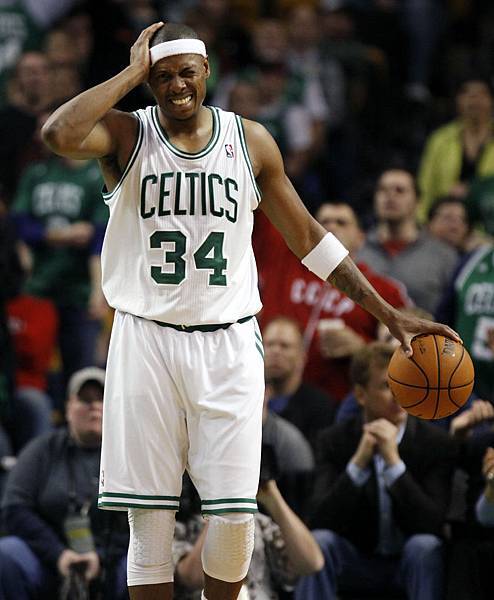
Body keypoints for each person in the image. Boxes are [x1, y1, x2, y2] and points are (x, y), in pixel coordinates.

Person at [41, 21, 459, 600]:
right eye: (162, 77)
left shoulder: (250, 140)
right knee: (151, 519)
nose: (176, 86)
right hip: (146, 338)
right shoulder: (127, 133)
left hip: (229, 341)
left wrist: (388, 312)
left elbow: (309, 237)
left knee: (236, 516)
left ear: (207, 71)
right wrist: (131, 73)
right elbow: (58, 133)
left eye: (186, 73)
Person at [295, 342, 458, 600]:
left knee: (425, 546)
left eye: (405, 383)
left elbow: (433, 525)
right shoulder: (334, 440)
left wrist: (394, 466)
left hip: (408, 562)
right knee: (320, 542)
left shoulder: (434, 443)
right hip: (355, 560)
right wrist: (357, 465)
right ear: (361, 395)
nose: (399, 394)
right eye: (386, 386)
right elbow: (317, 520)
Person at [258, 201, 410, 401]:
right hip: (265, 393)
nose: (331, 227)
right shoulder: (282, 260)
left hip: (339, 400)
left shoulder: (382, 290)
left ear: (360, 238)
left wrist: (361, 348)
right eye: (323, 222)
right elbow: (264, 203)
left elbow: (403, 353)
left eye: (341, 222)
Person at [0, 366, 129, 600]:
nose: (94, 405)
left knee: (139, 565)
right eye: (85, 399)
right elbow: (14, 507)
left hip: (112, 563)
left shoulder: (129, 455)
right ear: (68, 408)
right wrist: (58, 554)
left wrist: (101, 557)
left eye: (102, 398)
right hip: (50, 562)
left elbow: (141, 516)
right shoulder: (42, 450)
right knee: (6, 554)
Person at [172, 473, 324, 599]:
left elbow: (312, 563)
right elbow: (193, 577)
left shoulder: (256, 522)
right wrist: (224, 501)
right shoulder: (172, 528)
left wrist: (273, 497)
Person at [357, 167, 459, 314]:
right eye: (383, 190)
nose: (390, 196)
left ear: (417, 202)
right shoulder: (358, 249)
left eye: (400, 190)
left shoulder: (444, 255)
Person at [263, 315, 337, 450]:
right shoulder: (248, 398)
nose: (275, 351)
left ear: (302, 356)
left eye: (285, 346)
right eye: (269, 344)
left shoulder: (320, 407)